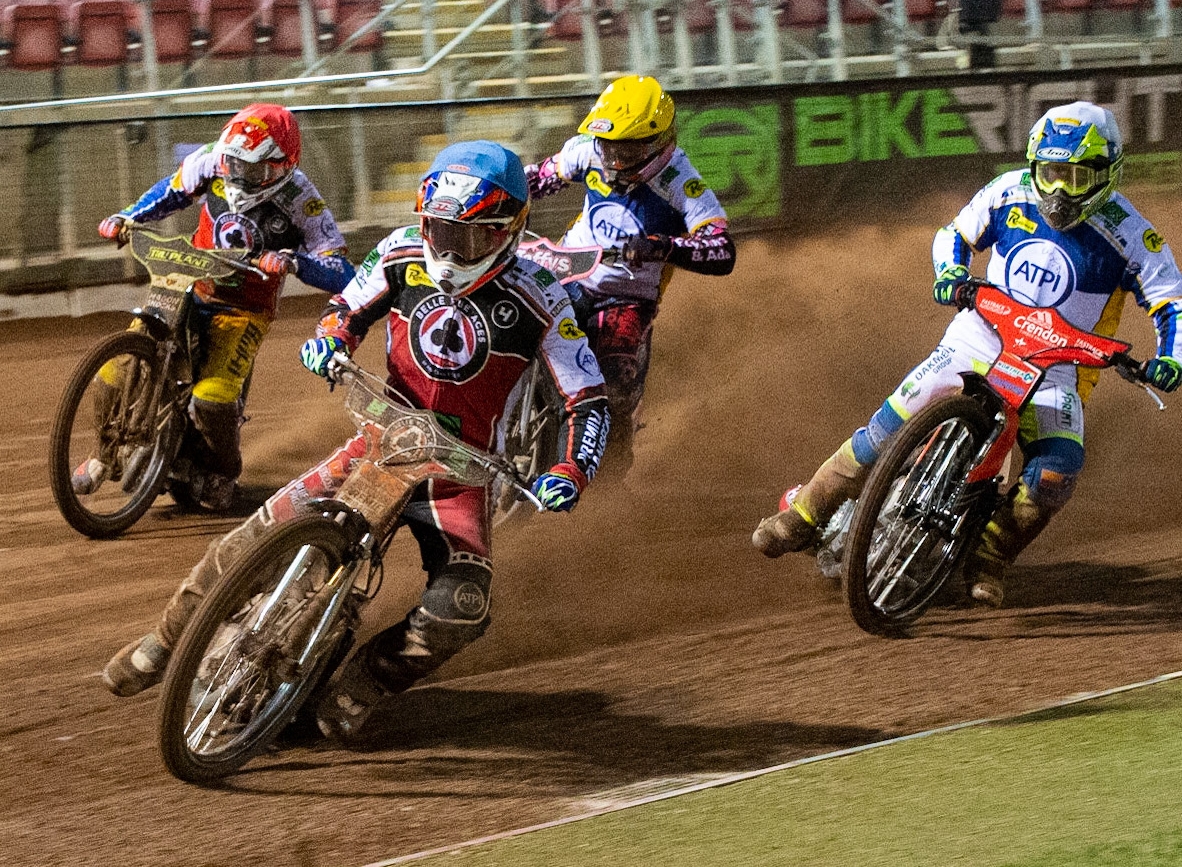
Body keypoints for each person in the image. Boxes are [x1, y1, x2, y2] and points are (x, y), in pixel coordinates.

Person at [102, 141, 609, 742]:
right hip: (381, 439)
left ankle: (362, 685)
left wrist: (571, 470)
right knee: (254, 535)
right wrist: (331, 338)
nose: (448, 249)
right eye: (438, 230)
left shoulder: (542, 298)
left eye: (466, 237)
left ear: (508, 230)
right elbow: (347, 304)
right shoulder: (400, 252)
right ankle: (163, 643)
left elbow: (588, 399)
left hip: (459, 475)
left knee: (463, 607)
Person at [752, 102, 1182, 607]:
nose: (1058, 191)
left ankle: (990, 557)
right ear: (1035, 164)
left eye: (1075, 177)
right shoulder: (1009, 189)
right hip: (980, 335)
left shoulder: (1132, 235)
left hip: (1059, 367)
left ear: (1106, 175)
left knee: (1056, 473)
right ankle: (803, 515)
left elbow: (1180, 308)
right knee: (887, 424)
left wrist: (1172, 361)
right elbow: (954, 235)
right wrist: (949, 273)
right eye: (1050, 173)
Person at [82, 103, 354, 511]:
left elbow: (341, 269)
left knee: (213, 398)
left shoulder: (304, 201)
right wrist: (126, 217)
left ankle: (222, 472)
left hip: (243, 308)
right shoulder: (214, 158)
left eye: (252, 170)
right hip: (187, 281)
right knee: (114, 368)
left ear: (283, 167)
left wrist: (294, 262)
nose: (237, 176)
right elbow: (171, 191)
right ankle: (104, 454)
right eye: (232, 166)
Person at [524, 75, 736, 478]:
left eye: (628, 149)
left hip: (627, 297)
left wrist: (662, 246)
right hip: (567, 269)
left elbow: (722, 248)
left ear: (660, 142)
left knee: (612, 385)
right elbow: (536, 179)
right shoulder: (588, 151)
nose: (613, 160)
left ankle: (610, 468)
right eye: (609, 146)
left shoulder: (680, 181)